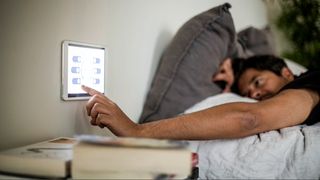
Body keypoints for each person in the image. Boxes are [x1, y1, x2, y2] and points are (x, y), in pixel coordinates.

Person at [81, 55, 320, 140]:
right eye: (249, 94)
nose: (256, 95)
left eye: (258, 82)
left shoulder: (309, 83)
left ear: (287, 72)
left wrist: (136, 130)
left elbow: (251, 118)